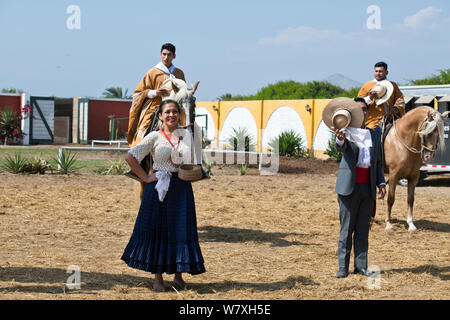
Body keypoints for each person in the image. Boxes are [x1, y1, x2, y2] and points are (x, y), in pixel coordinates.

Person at [122, 99, 206, 292]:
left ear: (179, 115)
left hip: (182, 188)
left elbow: (195, 159)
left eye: (175, 112)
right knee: (157, 232)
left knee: (180, 231)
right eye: (167, 112)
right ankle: (158, 279)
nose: (171, 115)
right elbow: (130, 157)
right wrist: (144, 176)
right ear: (160, 116)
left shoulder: (187, 135)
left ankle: (178, 277)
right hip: (158, 188)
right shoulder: (154, 136)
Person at [333, 97, 386, 278]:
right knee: (346, 230)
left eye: (364, 109)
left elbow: (377, 161)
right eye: (358, 109)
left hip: (368, 189)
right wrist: (340, 140)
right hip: (349, 189)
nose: (361, 112)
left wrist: (381, 182)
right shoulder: (344, 131)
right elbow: (341, 147)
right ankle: (343, 267)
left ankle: (361, 266)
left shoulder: (374, 133)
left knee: (363, 230)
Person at [127, 43, 185, 148]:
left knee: (189, 128)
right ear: (160, 55)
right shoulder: (152, 72)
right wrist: (154, 92)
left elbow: (184, 93)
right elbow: (138, 93)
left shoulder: (179, 73)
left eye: (169, 55)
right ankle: (138, 153)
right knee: (144, 132)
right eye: (164, 54)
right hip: (155, 108)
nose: (166, 57)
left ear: (174, 56)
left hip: (175, 109)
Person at [358, 61, 405, 139]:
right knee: (372, 136)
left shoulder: (393, 85)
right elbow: (358, 103)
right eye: (376, 71)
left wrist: (396, 109)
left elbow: (400, 100)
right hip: (372, 120)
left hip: (390, 119)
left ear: (386, 72)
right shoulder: (367, 85)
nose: (378, 73)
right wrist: (369, 98)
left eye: (380, 71)